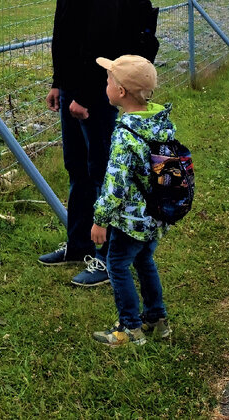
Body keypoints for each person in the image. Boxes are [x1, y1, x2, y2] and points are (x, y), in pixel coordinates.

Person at [40, 0, 124, 287]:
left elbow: (101, 41)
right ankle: (78, 246)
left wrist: (86, 96)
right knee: (77, 169)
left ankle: (107, 259)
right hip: (73, 90)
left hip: (93, 96)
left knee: (101, 172)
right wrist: (60, 82)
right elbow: (68, 36)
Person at [90, 54, 174, 347]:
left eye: (109, 80)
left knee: (117, 265)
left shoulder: (125, 134)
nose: (106, 83)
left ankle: (130, 328)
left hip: (131, 220)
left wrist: (100, 219)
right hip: (156, 212)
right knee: (144, 260)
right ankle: (157, 320)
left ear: (121, 92)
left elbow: (114, 184)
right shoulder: (158, 121)